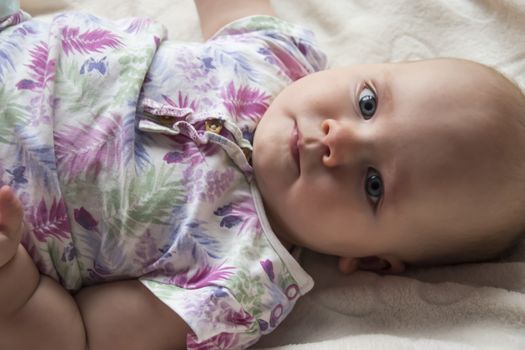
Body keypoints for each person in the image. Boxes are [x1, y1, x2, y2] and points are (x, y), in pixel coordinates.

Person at [1, 0, 525, 349]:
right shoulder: (278, 57)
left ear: (370, 259)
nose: (336, 140)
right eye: (367, 103)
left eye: (373, 185)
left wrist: (13, 282)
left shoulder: (245, 282)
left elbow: (83, 337)